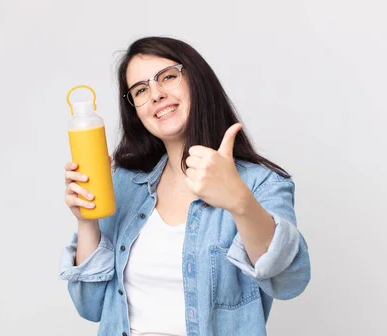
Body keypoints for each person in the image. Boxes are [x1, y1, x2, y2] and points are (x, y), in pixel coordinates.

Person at [60, 36, 311, 336]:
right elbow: (90, 306)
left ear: (197, 81)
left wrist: (239, 201)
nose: (155, 94)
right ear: (136, 112)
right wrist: (87, 223)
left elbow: (289, 282)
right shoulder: (126, 184)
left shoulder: (261, 183)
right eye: (140, 90)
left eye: (168, 77)